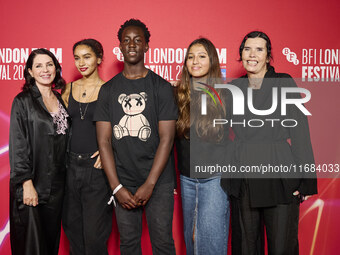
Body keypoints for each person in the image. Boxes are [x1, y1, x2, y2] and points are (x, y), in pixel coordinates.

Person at [223, 31, 317, 255]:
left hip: (280, 174)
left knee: (282, 246)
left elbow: (300, 131)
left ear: (268, 56)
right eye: (247, 49)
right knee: (246, 247)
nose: (252, 54)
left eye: (259, 49)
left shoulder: (284, 82)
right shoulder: (234, 88)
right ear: (241, 55)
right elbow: (216, 130)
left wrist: (306, 181)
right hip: (244, 174)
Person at [94, 19, 178, 255]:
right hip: (123, 181)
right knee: (129, 245)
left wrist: (150, 184)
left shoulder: (160, 87)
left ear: (146, 46)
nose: (132, 45)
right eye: (126, 40)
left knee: (162, 243)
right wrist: (116, 187)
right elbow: (104, 142)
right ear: (119, 47)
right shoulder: (108, 91)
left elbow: (166, 139)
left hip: (158, 182)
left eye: (138, 40)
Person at [9, 48, 70, 255]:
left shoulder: (60, 99)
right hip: (33, 184)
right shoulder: (22, 101)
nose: (45, 70)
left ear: (56, 68)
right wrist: (26, 183)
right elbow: (18, 144)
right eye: (39, 66)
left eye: (49, 64)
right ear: (30, 72)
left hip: (58, 188)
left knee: (50, 244)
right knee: (31, 246)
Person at [175, 38, 230, 254]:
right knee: (193, 242)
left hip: (215, 180)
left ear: (212, 61)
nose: (195, 61)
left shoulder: (226, 95)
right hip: (186, 179)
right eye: (190, 57)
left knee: (212, 241)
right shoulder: (176, 95)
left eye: (201, 56)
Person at [61, 39, 112, 255]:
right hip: (70, 167)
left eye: (87, 56)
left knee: (95, 237)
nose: (81, 62)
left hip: (97, 170)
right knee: (73, 231)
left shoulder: (109, 90)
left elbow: (121, 127)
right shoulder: (68, 89)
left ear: (99, 59)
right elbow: (59, 127)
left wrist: (109, 151)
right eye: (77, 57)